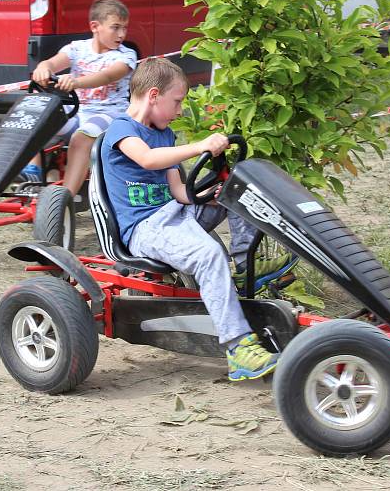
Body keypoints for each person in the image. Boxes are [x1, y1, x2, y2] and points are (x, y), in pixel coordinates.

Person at [101, 57, 286, 381]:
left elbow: (178, 192)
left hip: (177, 212)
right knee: (208, 254)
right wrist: (199, 145)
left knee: (236, 194)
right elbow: (146, 159)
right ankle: (238, 349)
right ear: (154, 95)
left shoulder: (166, 133)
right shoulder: (121, 129)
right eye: (177, 101)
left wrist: (210, 194)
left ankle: (242, 272)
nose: (180, 109)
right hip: (145, 228)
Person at [19, 0, 137, 196]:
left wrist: (76, 82)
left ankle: (64, 199)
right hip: (78, 110)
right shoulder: (77, 48)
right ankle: (33, 170)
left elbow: (108, 76)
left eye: (124, 28)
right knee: (38, 121)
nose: (122, 34)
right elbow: (53, 63)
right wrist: (43, 69)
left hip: (111, 113)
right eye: (115, 28)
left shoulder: (126, 55)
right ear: (95, 27)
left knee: (81, 139)